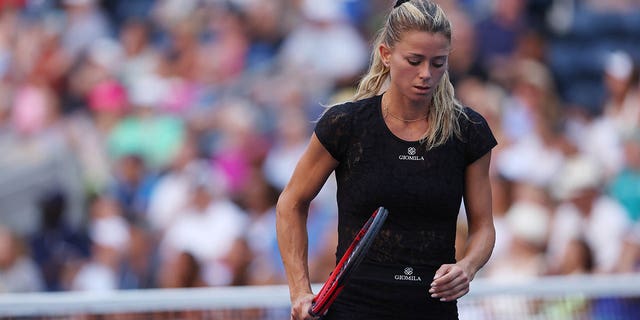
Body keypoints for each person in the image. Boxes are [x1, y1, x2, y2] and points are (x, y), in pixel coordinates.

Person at [276, 1, 497, 319]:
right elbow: (291, 203)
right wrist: (299, 291)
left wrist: (468, 266)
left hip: (431, 310)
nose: (426, 74)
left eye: (438, 63)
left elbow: (483, 227)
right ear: (385, 54)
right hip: (354, 309)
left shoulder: (468, 131)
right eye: (414, 60)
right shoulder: (347, 124)